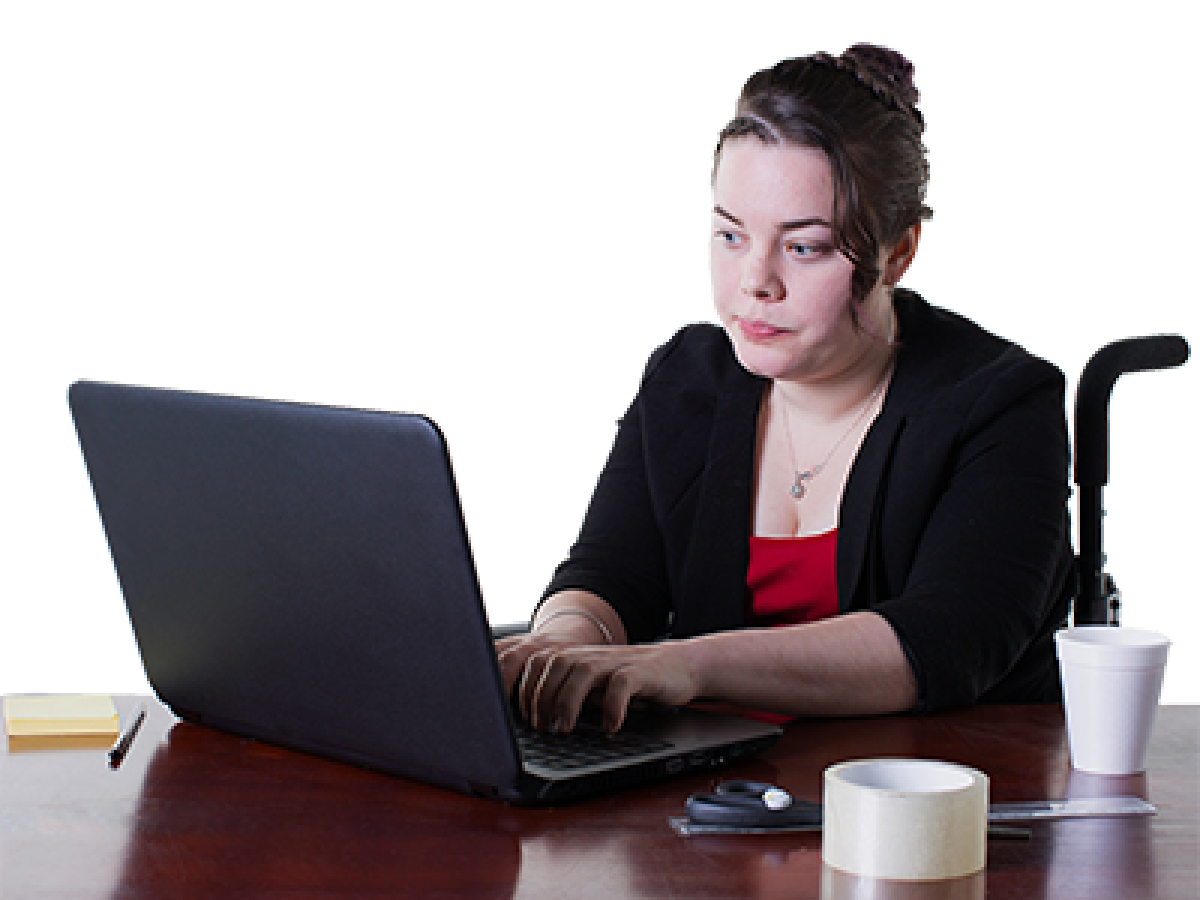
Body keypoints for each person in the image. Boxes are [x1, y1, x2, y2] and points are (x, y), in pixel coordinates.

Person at [497, 44, 1073, 735]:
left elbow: (946, 640)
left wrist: (686, 665)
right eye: (731, 236)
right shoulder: (688, 376)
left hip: (939, 816)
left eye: (804, 247)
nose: (756, 282)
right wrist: (562, 638)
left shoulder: (1003, 404)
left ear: (899, 252)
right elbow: (612, 575)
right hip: (725, 807)